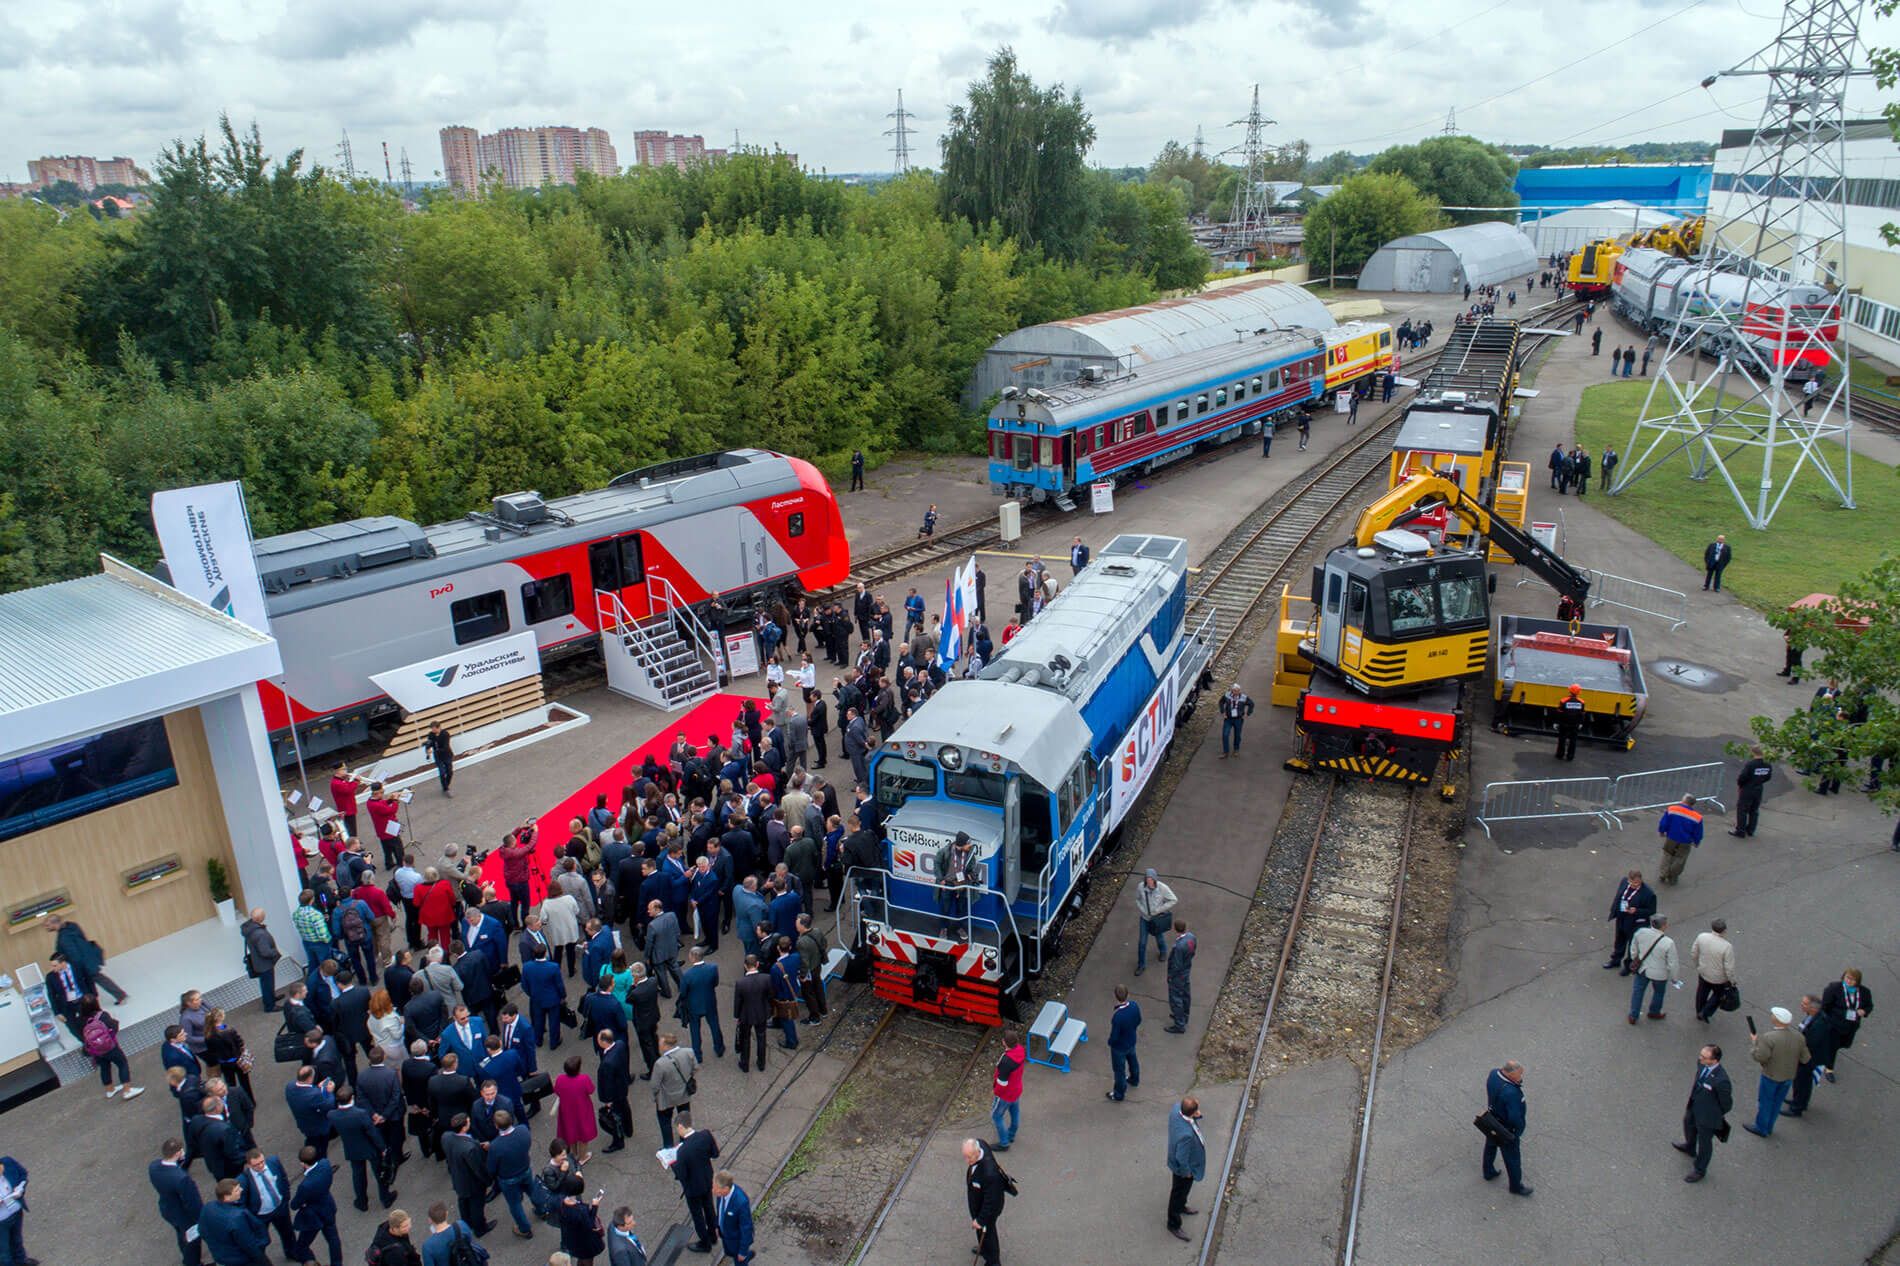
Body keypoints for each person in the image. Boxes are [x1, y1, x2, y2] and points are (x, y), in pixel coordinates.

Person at [1743, 1005, 1808, 1137]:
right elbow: (1805, 1058)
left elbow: (1759, 1056)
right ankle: (1769, 1126)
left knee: (1765, 1102)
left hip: (1771, 1075)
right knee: (1777, 1102)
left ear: (1776, 1019)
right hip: (1788, 1076)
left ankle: (1761, 1128)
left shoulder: (1769, 1038)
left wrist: (1755, 1043)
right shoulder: (1798, 1037)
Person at [331, 1085, 399, 1211]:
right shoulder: (360, 1114)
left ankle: (361, 1201)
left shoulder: (332, 1115)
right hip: (369, 1147)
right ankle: (385, 1198)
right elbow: (372, 1132)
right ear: (352, 1098)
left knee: (358, 1174)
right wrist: (383, 1148)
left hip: (352, 1148)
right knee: (379, 1172)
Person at [1675, 1044, 1732, 1182]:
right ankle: (1690, 1146)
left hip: (1708, 1116)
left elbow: (1726, 1104)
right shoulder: (1701, 1065)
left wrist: (1715, 1113)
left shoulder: (1721, 1080)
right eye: (1701, 1055)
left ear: (1714, 1060)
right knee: (1688, 1124)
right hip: (1695, 1105)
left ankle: (1700, 1169)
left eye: (1704, 1057)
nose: (1699, 1058)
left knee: (1705, 1143)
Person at [46, 914, 128, 1005]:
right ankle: (120, 995)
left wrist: (75, 968)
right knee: (99, 978)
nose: (46, 927)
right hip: (88, 958)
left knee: (89, 981)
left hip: (83, 965)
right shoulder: (72, 926)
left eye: (48, 925)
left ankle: (118, 996)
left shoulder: (64, 938)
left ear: (55, 924)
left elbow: (73, 954)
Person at [668, 1115, 720, 1253]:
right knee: (709, 1206)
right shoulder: (706, 1135)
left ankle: (705, 1243)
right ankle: (713, 1234)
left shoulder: (682, 1151)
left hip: (692, 1188)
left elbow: (682, 1175)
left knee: (697, 1215)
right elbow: (715, 1154)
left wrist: (673, 1164)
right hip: (707, 1180)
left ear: (680, 1126)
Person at [1480, 1060, 1530, 1196]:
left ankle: (1488, 1171)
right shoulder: (1511, 1092)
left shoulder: (1493, 1074)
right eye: (1518, 1076)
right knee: (1512, 1158)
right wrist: (1518, 1131)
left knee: (1490, 1145)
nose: (1520, 1079)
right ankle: (1516, 1186)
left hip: (1492, 1120)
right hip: (1505, 1128)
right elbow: (1514, 1117)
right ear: (1510, 1074)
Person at [152, 1138, 204, 1266]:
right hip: (185, 1217)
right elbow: (192, 1203)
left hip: (168, 1210)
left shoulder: (153, 1167)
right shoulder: (181, 1178)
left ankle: (186, 1255)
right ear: (177, 1153)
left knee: (182, 1236)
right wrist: (200, 1219)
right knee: (193, 1242)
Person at [288, 1146, 343, 1266]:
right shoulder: (325, 1164)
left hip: (314, 1216)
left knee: (302, 1246)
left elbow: (294, 1205)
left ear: (302, 1163)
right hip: (327, 1207)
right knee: (333, 1239)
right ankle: (337, 1263)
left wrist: (302, 1203)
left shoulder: (306, 1185)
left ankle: (311, 1263)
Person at [1817, 967, 1873, 1081]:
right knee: (1832, 1047)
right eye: (1847, 977)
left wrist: (1864, 1011)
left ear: (1858, 981)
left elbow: (1869, 1005)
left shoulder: (1864, 992)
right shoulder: (1834, 988)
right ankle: (1829, 1069)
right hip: (1834, 1025)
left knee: (1844, 1044)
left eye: (1852, 979)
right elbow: (1825, 1007)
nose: (1849, 981)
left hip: (1851, 1026)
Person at [200, 1177, 271, 1266]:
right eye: (236, 1190)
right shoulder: (237, 1217)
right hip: (241, 1260)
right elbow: (248, 1244)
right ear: (227, 1197)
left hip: (221, 1257)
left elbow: (202, 1230)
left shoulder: (208, 1207)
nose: (241, 1190)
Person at [1784, 994, 1832, 1117]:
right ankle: (1798, 1100)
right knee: (1801, 1081)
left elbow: (1810, 1042)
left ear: (1813, 1008)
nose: (1802, 1005)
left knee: (1802, 1081)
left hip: (1809, 1058)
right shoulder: (1813, 1017)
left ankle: (1797, 1108)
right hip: (1807, 1055)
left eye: (1805, 1004)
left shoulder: (1819, 1023)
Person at [962, 1138, 1008, 1265]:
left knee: (988, 1234)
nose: (967, 1161)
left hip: (988, 1210)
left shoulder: (990, 1174)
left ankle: (993, 1261)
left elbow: (992, 1201)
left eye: (969, 1157)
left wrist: (981, 1220)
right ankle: (984, 1248)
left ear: (977, 1153)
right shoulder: (980, 1144)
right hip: (979, 1203)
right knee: (981, 1231)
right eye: (965, 1156)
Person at [1165, 1098, 1206, 1241]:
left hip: (1182, 1164)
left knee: (1182, 1191)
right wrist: (1187, 1173)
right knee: (1178, 1192)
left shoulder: (1177, 1108)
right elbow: (1181, 1158)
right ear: (1192, 1114)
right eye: (1197, 1111)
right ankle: (1173, 1223)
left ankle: (1182, 1205)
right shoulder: (1186, 1136)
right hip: (1184, 1169)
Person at [1625, 915, 1679, 1023]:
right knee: (1659, 992)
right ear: (1663, 926)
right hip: (1659, 973)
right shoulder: (1668, 942)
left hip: (1642, 969)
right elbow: (1672, 963)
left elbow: (1633, 946)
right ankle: (1654, 1011)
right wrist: (1674, 978)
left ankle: (1633, 1015)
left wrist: (1635, 957)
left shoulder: (1641, 932)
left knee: (1638, 991)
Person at [1603, 869, 1655, 972]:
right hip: (1622, 917)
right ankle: (1615, 960)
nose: (1633, 885)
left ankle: (1628, 966)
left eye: (1636, 883)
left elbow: (1651, 910)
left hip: (1635, 923)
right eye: (1631, 883)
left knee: (1632, 945)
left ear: (1641, 880)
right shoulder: (1624, 881)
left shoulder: (1648, 893)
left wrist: (1636, 911)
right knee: (1619, 940)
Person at [652, 1033, 697, 1148]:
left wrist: (655, 1096)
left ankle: (669, 1146)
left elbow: (655, 1085)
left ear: (667, 1046)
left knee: (665, 1121)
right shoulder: (688, 1052)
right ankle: (685, 1141)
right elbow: (695, 1068)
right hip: (684, 1093)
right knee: (684, 1117)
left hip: (666, 1098)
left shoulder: (660, 1064)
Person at [552, 1054, 598, 1164]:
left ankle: (574, 1154)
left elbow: (557, 1091)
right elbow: (591, 1090)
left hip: (566, 1112)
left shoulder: (560, 1079)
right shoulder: (584, 1079)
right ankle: (582, 1157)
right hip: (582, 1111)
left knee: (570, 1133)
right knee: (583, 1135)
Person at [732, 955, 773, 1073]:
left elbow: (737, 1002)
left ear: (745, 966)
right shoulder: (766, 978)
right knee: (761, 1037)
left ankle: (745, 1064)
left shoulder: (740, 983)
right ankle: (761, 1063)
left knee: (745, 1040)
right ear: (757, 964)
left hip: (746, 1015)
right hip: (761, 1013)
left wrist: (737, 1016)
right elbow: (770, 995)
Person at [1133, 869, 1175, 976]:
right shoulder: (1141, 887)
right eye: (1147, 879)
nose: (1149, 881)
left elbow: (1173, 899)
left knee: (1159, 936)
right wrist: (1143, 910)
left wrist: (1160, 910)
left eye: (1151, 879)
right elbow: (1137, 899)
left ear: (1155, 879)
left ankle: (1163, 950)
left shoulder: (1162, 888)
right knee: (1142, 942)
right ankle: (1141, 965)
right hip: (1145, 919)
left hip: (1156, 919)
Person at [239, 909, 282, 1013]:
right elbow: (265, 951)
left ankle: (270, 998)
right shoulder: (259, 934)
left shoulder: (248, 928)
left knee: (266, 983)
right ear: (260, 918)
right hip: (264, 964)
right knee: (267, 984)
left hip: (257, 961)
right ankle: (269, 1005)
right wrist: (275, 952)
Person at [1657, 794, 1703, 885]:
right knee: (1680, 858)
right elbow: (1698, 833)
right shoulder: (1697, 817)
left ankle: (1663, 873)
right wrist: (1696, 842)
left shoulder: (1672, 809)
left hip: (1671, 838)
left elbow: (1664, 823)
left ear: (1683, 801)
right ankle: (1673, 876)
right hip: (1685, 841)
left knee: (1667, 855)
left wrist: (1662, 832)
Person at [1105, 983, 1141, 1102]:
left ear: (1115, 996)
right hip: (1131, 1040)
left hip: (1119, 1047)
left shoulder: (1118, 1016)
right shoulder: (1134, 1006)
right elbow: (1138, 1020)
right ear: (1127, 995)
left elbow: (1115, 1035)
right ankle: (1134, 1079)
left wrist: (1111, 1042)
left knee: (1119, 1071)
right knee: (1133, 1060)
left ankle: (1119, 1094)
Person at [709, 1171, 754, 1265]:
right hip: (727, 1236)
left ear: (726, 1189)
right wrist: (718, 1226)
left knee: (739, 1261)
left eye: (715, 1188)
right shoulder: (721, 1195)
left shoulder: (741, 1202)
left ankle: (744, 1255)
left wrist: (742, 1251)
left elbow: (746, 1228)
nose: (712, 1190)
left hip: (736, 1241)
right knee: (731, 1253)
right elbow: (720, 1211)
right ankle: (745, 1255)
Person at [990, 1035, 1025, 1150]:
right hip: (1016, 1089)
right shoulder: (1020, 1050)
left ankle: (1004, 1143)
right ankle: (1011, 1135)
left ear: (1004, 1043)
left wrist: (997, 1092)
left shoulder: (1006, 1061)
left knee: (996, 1116)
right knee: (1015, 1111)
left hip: (1005, 1094)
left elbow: (1002, 1082)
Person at [555, 1190, 606, 1266]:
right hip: (584, 1243)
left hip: (573, 1240)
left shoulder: (561, 1203)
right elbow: (590, 1225)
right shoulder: (580, 1210)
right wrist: (595, 1206)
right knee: (587, 1260)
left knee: (581, 1259)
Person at [1731, 747, 1773, 837]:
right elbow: (1768, 777)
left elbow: (1743, 777)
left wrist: (1741, 784)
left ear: (1753, 753)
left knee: (1742, 810)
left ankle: (1740, 831)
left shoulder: (1750, 765)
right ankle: (1751, 830)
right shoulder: (1767, 765)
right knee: (1754, 810)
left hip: (1747, 790)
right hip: (1758, 789)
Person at [1165, 919, 1196, 1033]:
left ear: (1175, 929)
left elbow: (1176, 965)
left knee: (1176, 999)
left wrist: (1170, 976)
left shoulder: (1179, 947)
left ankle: (1179, 1024)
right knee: (1186, 995)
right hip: (1186, 971)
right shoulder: (1191, 937)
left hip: (1178, 977)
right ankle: (1185, 1016)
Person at [1217, 684, 1254, 758]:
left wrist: (1247, 714)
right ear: (1232, 690)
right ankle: (1225, 751)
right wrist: (1222, 712)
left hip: (1238, 719)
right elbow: (1221, 702)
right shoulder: (1227, 695)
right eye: (1235, 691)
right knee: (1225, 734)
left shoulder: (1243, 697)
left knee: (1237, 735)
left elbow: (1251, 704)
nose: (1236, 692)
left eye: (1238, 691)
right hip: (1228, 718)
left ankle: (1236, 749)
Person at [1554, 683, 1585, 761]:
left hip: (1564, 724)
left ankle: (1560, 755)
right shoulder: (1581, 702)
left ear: (1570, 691)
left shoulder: (1563, 701)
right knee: (1573, 741)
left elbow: (1559, 713)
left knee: (1562, 739)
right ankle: (1570, 756)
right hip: (1575, 724)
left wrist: (1557, 722)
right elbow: (1582, 714)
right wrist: (1581, 723)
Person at [422, 724, 455, 796]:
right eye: (432, 729)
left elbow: (445, 747)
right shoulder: (431, 734)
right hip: (438, 757)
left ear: (438, 728)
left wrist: (433, 751)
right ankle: (445, 788)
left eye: (433, 729)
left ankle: (446, 784)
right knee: (442, 772)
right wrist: (427, 748)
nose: (432, 731)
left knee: (450, 772)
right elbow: (430, 742)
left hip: (446, 755)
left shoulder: (445, 734)